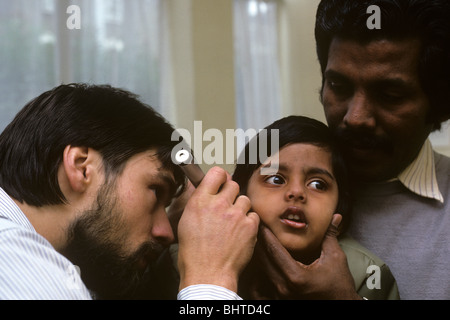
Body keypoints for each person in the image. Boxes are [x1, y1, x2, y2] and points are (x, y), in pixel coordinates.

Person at [0, 83, 259, 299]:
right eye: (156, 191)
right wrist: (211, 276)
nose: (166, 232)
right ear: (82, 168)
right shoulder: (16, 259)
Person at [312, 0, 450, 299]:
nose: (356, 117)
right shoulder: (266, 195)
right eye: (339, 85)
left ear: (441, 105)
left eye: (389, 95)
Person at [233, 115, 399, 300]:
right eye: (276, 179)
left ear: (340, 210)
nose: (296, 192)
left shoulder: (368, 273)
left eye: (318, 185)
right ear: (241, 195)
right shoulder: (218, 257)